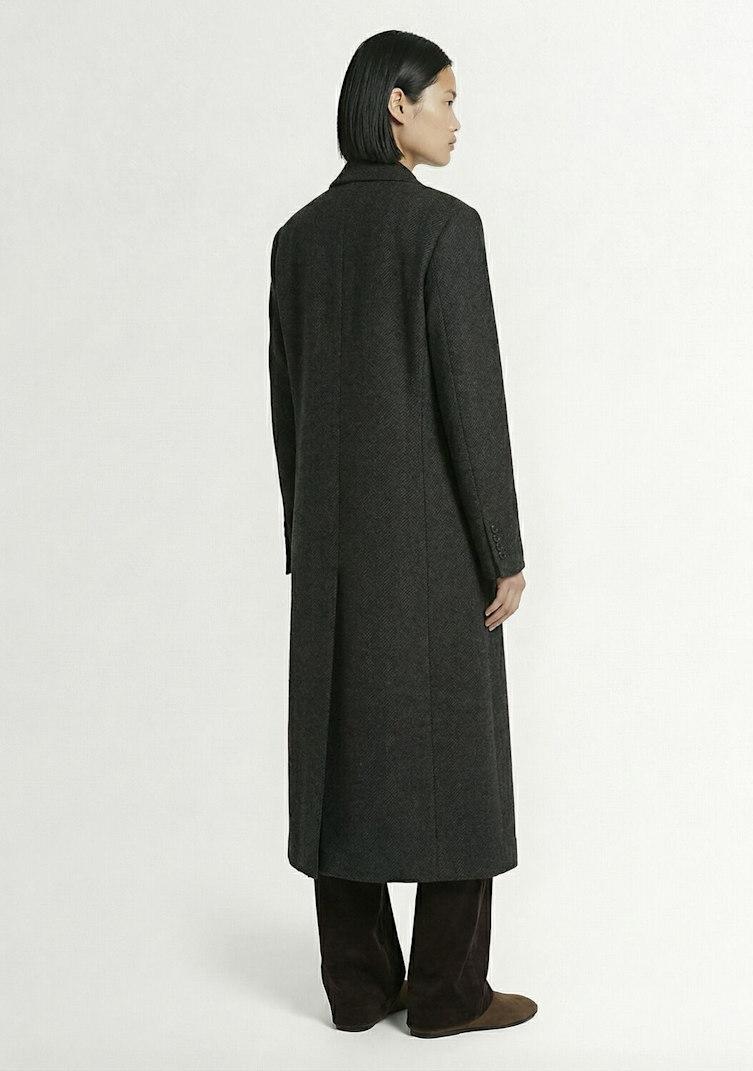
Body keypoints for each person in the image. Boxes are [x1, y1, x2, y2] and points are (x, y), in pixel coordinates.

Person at [267, 30, 537, 1038]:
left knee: (337, 757)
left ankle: (358, 987)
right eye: (446, 100)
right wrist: (502, 550)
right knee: (459, 765)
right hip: (433, 550)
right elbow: (473, 405)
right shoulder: (444, 230)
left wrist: (305, 540)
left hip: (332, 554)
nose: (456, 120)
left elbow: (287, 407)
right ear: (396, 104)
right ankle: (449, 994)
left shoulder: (296, 239)